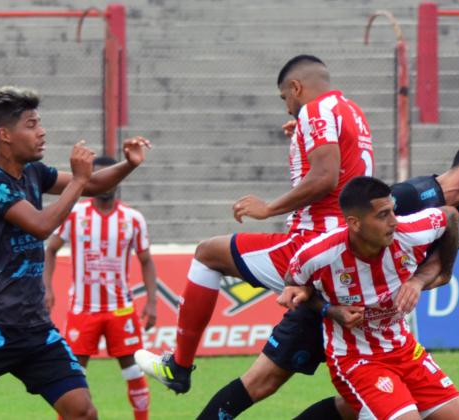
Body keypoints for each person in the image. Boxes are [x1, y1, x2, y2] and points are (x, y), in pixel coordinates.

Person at [134, 54, 375, 410]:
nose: (289, 109)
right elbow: (344, 169)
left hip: (315, 246)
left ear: (296, 87)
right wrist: (303, 136)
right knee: (342, 396)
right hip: (349, 251)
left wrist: (269, 208)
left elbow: (325, 178)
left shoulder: (314, 111)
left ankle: (179, 365)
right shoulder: (350, 111)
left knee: (207, 254)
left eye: (286, 100)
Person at [0, 86, 150, 420]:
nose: (42, 131)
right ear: (5, 134)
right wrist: (79, 181)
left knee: (82, 411)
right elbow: (40, 225)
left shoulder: (34, 173)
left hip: (35, 329)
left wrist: (129, 164)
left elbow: (95, 185)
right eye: (32, 124)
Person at [294, 129, 459, 419]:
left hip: (396, 335)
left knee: (366, 406)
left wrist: (418, 281)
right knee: (265, 380)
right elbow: (355, 232)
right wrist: (329, 308)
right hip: (347, 329)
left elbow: (440, 268)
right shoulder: (410, 196)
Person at [280, 176, 459, 420]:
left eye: (392, 211)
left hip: (403, 348)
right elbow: (293, 283)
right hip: (356, 358)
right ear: (355, 223)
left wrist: (429, 277)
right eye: (383, 215)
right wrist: (329, 310)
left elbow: (451, 217)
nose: (394, 221)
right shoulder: (320, 254)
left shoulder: (409, 231)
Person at [43, 155, 158, 420]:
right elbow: (50, 250)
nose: (105, 183)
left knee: (133, 370)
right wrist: (48, 288)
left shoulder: (133, 218)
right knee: (72, 375)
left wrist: (151, 302)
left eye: (110, 176)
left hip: (121, 309)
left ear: (118, 181)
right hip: (83, 309)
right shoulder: (74, 214)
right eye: (99, 177)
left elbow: (146, 260)